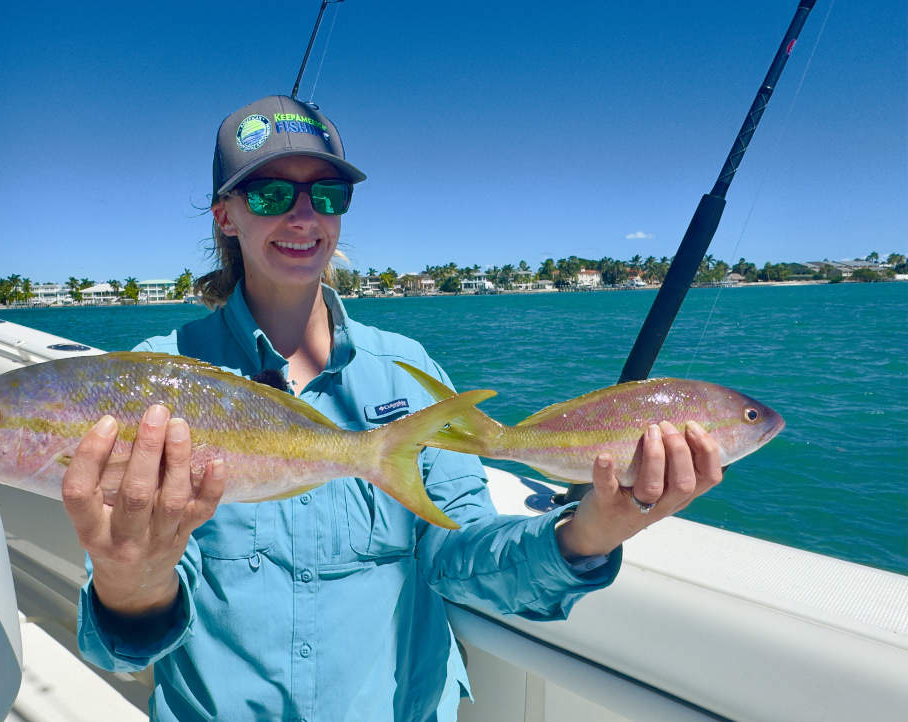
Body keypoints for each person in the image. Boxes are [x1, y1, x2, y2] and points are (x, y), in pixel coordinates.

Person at [63, 95, 723, 721]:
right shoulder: (158, 379)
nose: (302, 216)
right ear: (225, 216)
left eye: (327, 194)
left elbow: (462, 561)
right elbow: (122, 647)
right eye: (270, 194)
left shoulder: (406, 372)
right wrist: (131, 579)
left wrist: (594, 528)